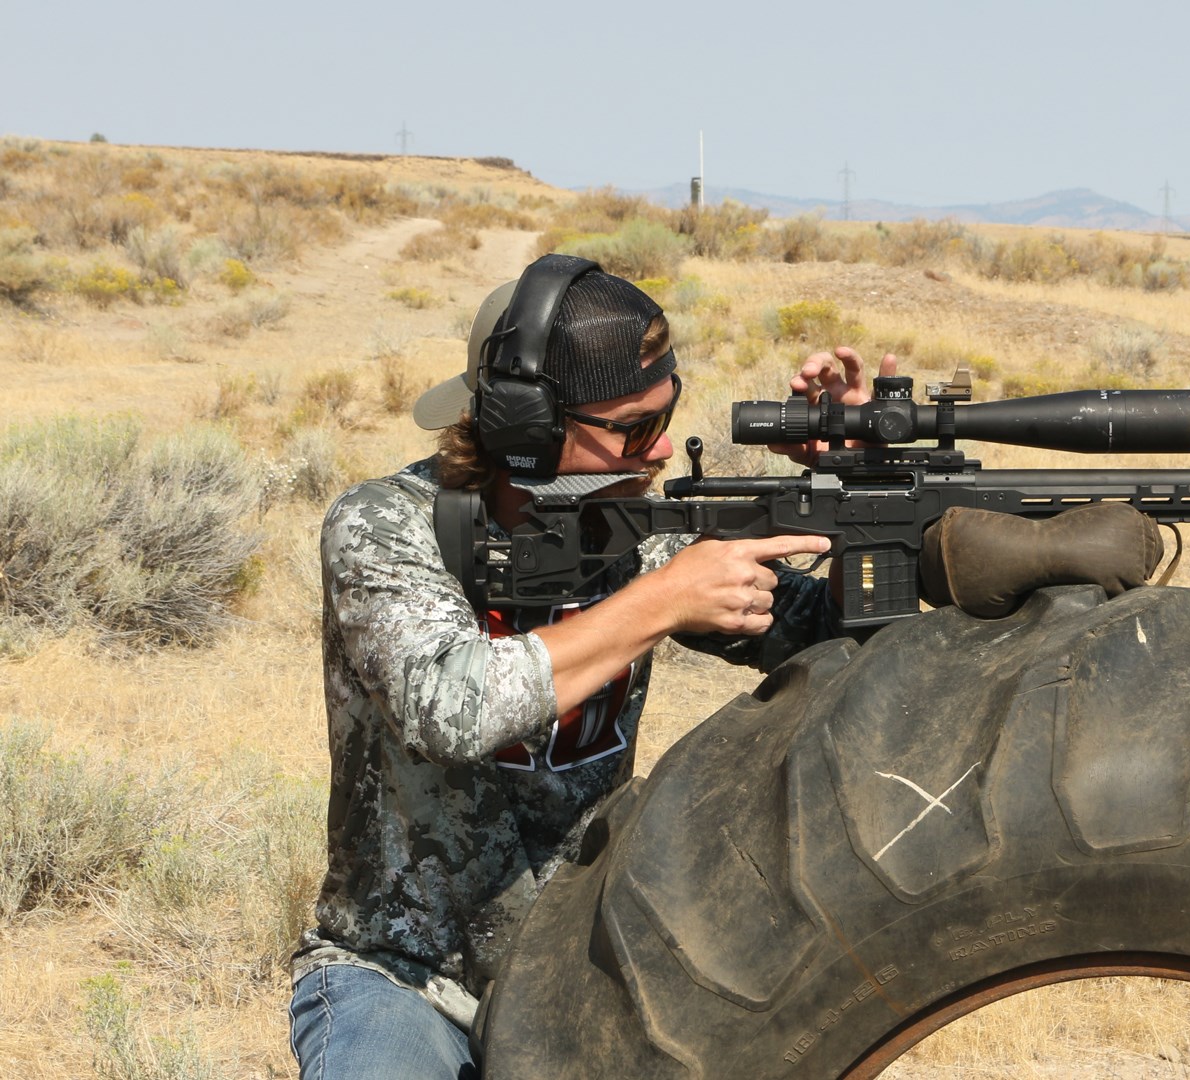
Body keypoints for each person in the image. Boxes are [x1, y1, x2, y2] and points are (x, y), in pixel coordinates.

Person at [287, 255, 889, 1079]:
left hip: (582, 970)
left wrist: (856, 480)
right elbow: (446, 704)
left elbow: (826, 633)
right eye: (633, 430)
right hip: (402, 977)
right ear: (523, 433)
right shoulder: (385, 527)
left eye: (664, 414)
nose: (663, 446)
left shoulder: (641, 532)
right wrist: (662, 601)